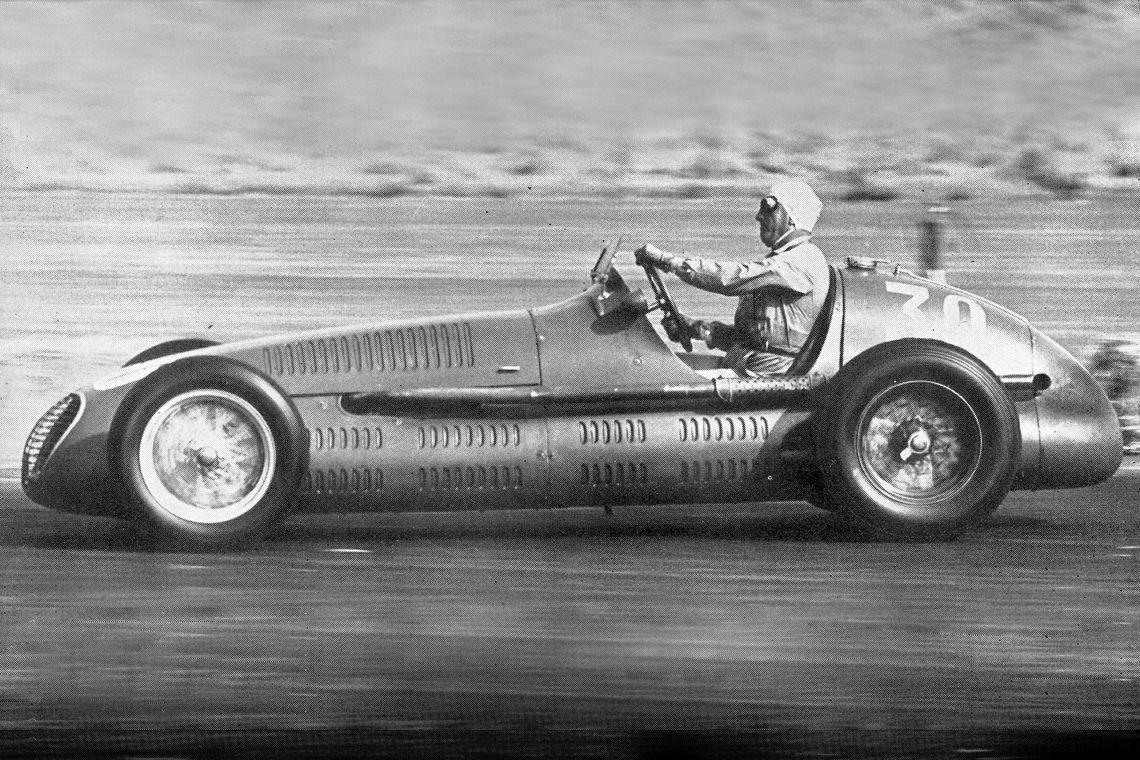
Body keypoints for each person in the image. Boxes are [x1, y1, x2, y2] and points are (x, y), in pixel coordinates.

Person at [635, 178, 830, 375]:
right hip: (748, 363)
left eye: (769, 209)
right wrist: (696, 328)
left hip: (771, 374)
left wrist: (669, 262)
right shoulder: (783, 261)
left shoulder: (802, 260)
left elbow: (731, 279)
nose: (758, 216)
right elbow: (746, 338)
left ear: (791, 219)